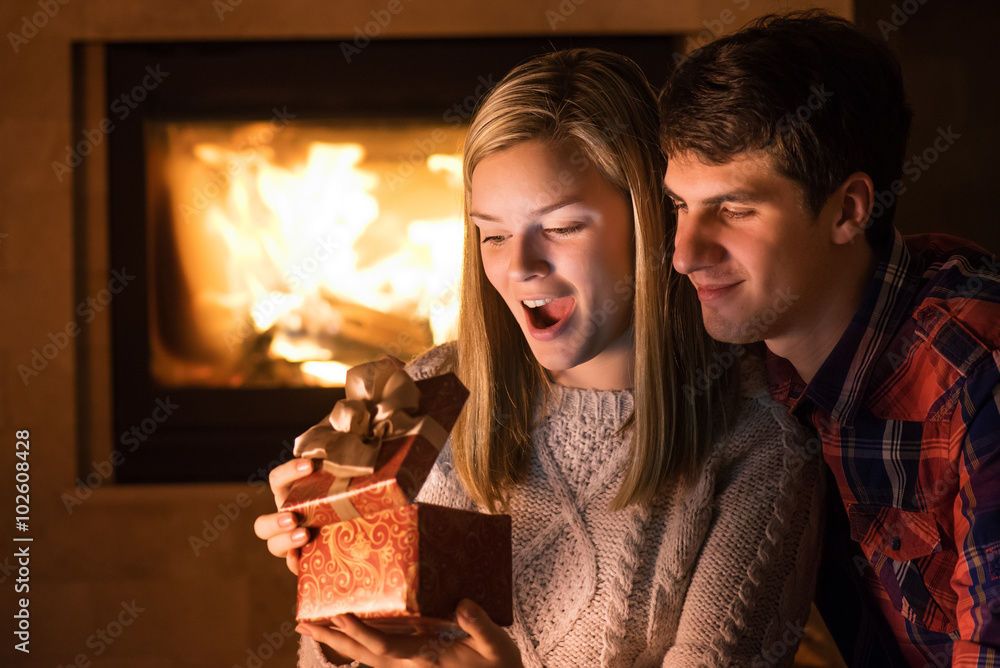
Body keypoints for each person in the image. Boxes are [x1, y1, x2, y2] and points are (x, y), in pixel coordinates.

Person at [255, 48, 824, 668]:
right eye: (492, 234)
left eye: (562, 227)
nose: (519, 265)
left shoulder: (758, 454)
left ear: (650, 224)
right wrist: (334, 569)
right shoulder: (422, 395)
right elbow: (327, 657)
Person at [658, 10, 1000, 667]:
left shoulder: (976, 375)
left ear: (847, 210)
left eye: (733, 209)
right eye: (680, 205)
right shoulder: (748, 344)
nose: (684, 254)